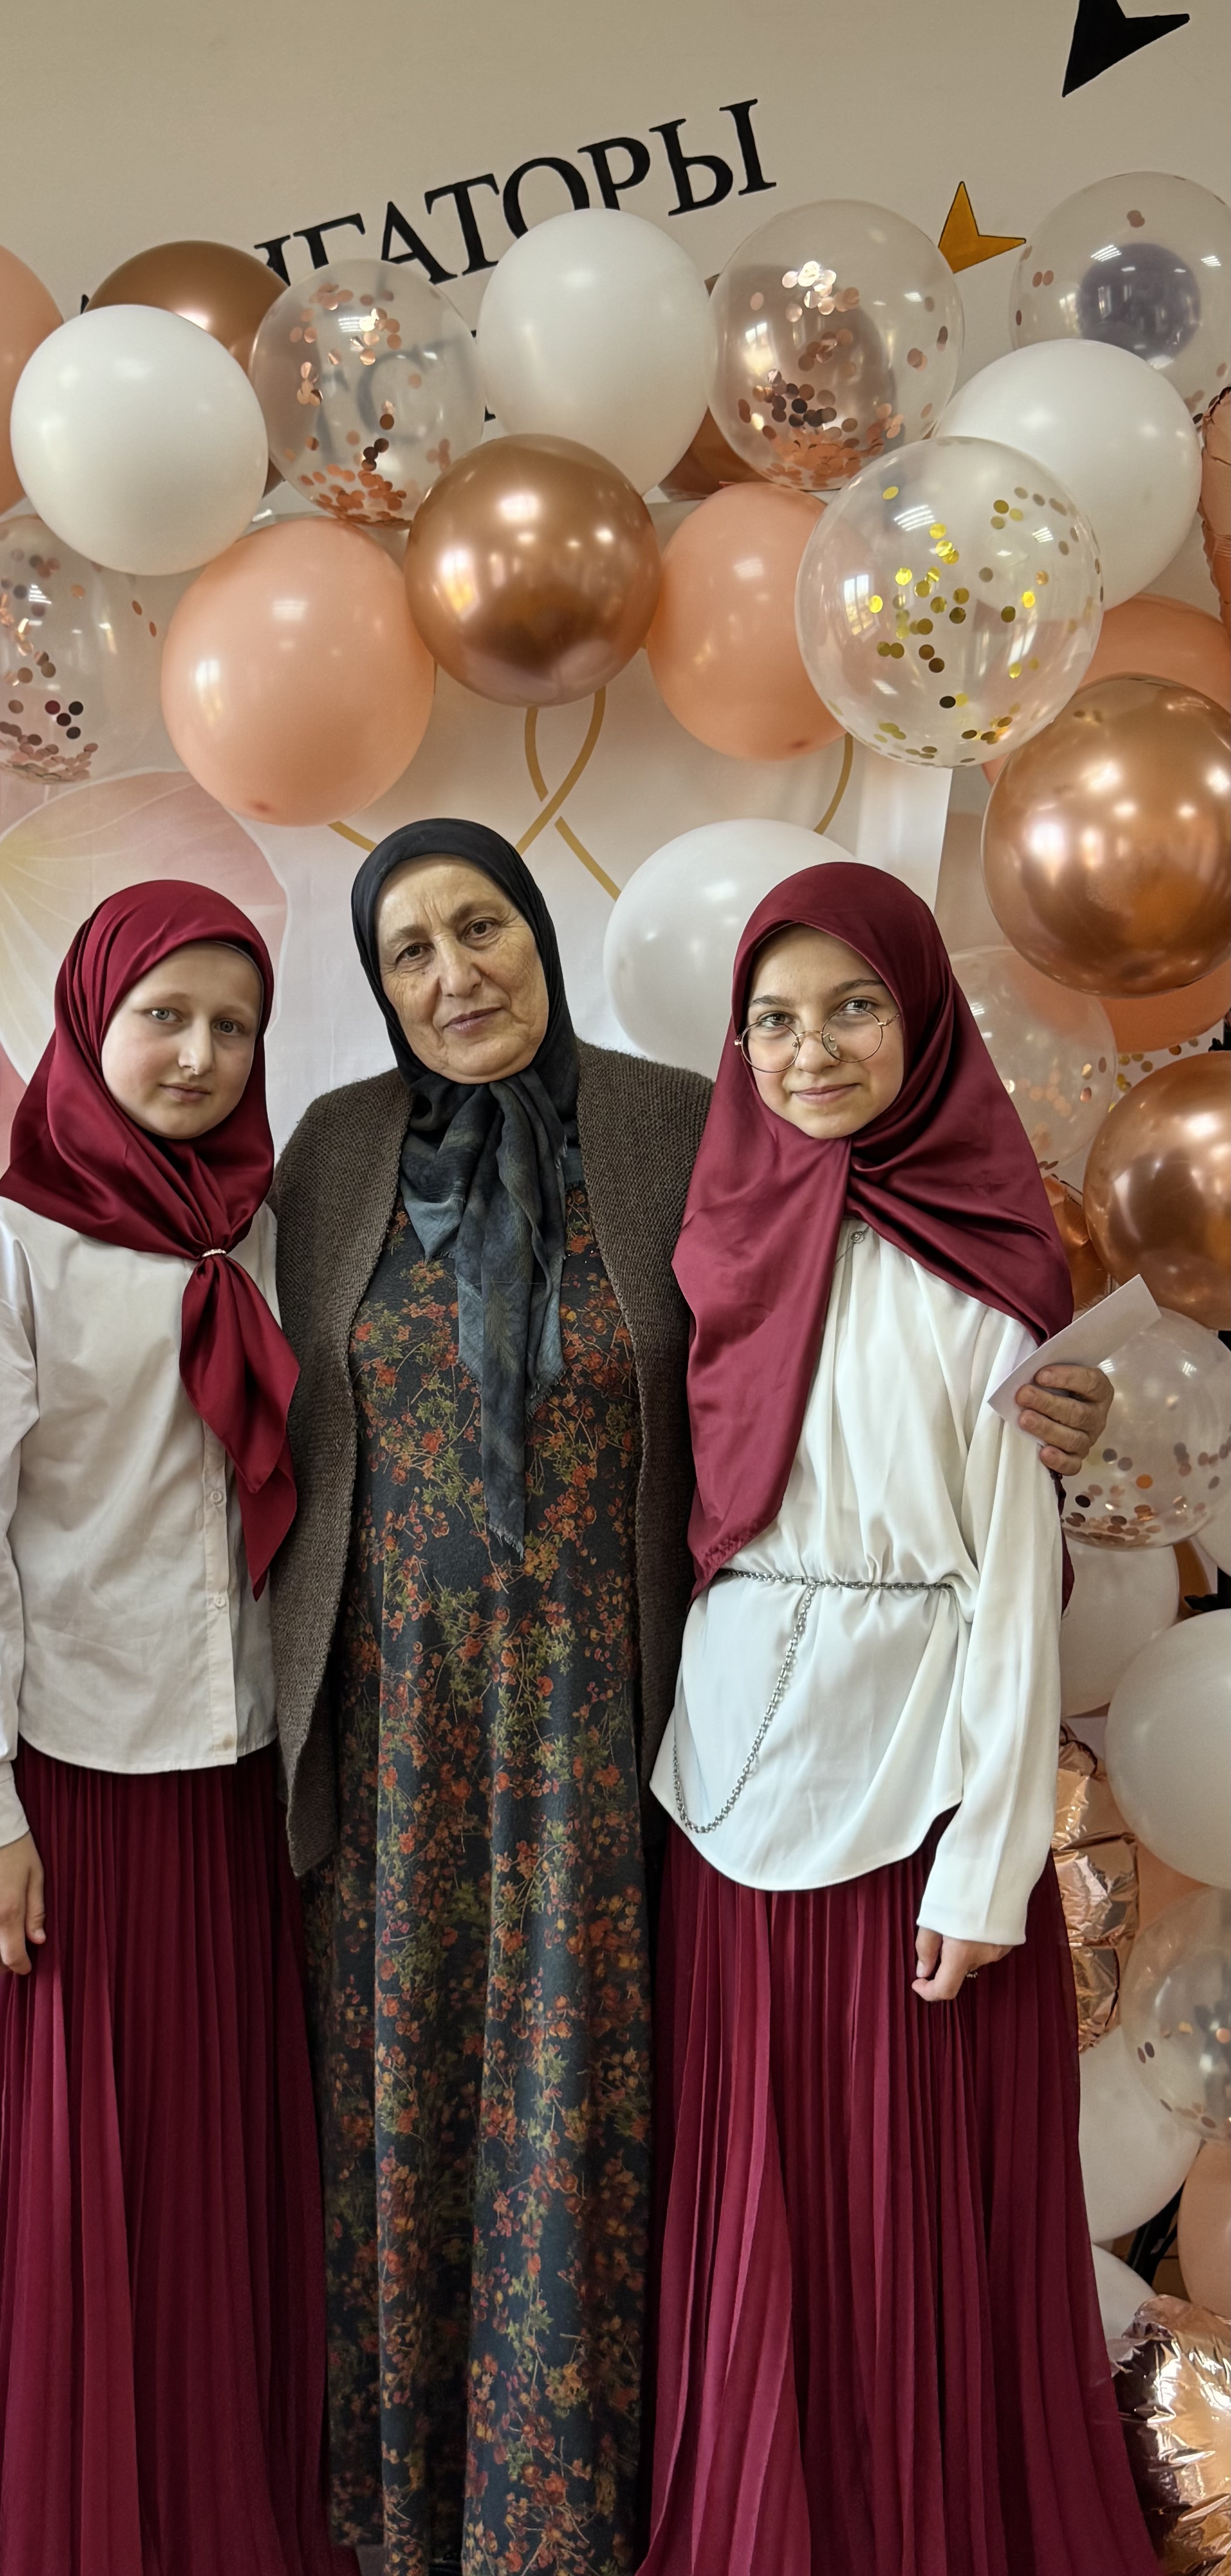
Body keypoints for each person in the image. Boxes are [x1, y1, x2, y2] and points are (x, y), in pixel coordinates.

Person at [264, 820, 1113, 2576]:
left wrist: (1055, 1404)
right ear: (377, 983)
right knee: (400, 2123)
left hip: (619, 1730)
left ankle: (576, 2526)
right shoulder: (333, 1151)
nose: (456, 974)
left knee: (598, 2131)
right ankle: (403, 2523)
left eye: (484, 926)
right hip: (405, 1739)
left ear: (540, 929)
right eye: (411, 949)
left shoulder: (679, 1126)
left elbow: (870, 1276)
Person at [641, 862, 1157, 2576]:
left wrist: (987, 1871)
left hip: (913, 1801)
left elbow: (1009, 1599)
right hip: (727, 1786)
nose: (812, 1051)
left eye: (854, 1007)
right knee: (756, 2189)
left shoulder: (994, 1279)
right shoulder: (721, 1239)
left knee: (891, 2199)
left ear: (924, 1018)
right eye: (773, 1021)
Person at [0, 883, 347, 2576]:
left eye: (233, 1026)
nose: (199, 1055)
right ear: (87, 1023)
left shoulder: (255, 1240)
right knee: (62, 2193)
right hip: (61, 1788)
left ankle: (207, 2519)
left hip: (226, 1783)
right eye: (164, 1018)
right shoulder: (0, 1250)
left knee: (198, 2188)